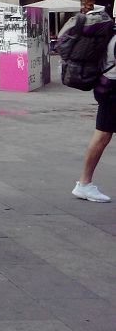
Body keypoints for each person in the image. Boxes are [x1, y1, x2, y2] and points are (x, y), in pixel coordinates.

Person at [72, 29, 116, 203]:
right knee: (102, 136)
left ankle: (84, 184)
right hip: (112, 92)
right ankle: (84, 184)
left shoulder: (110, 34)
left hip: (107, 88)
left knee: (103, 136)